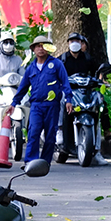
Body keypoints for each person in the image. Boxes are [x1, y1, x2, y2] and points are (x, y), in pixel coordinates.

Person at [12, 35, 70, 166]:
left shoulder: (56, 64)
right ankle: (30, 162)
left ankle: (44, 163)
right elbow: (22, 87)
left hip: (52, 105)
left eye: (44, 45)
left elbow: (65, 83)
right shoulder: (31, 68)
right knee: (33, 132)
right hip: (36, 105)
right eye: (37, 46)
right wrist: (14, 103)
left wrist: (68, 100)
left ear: (48, 48)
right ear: (33, 49)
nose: (40, 48)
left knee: (50, 135)